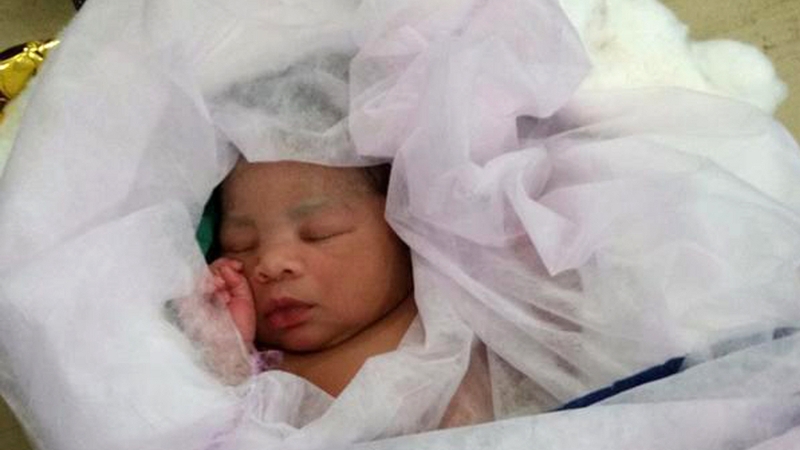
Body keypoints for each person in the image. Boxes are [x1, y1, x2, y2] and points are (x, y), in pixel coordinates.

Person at [206, 159, 418, 397]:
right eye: (240, 245)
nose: (271, 264)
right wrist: (230, 351)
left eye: (319, 233)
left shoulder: (444, 311)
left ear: (403, 226)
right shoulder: (257, 361)